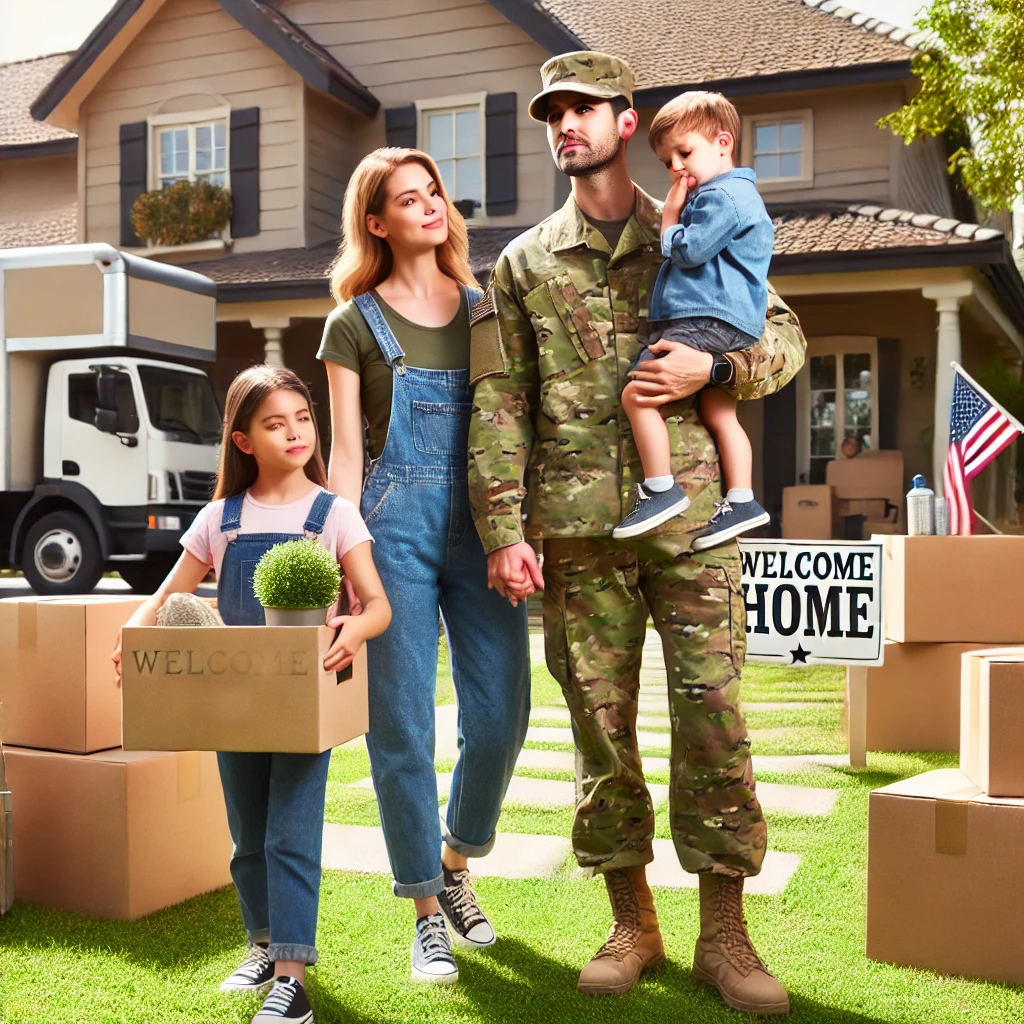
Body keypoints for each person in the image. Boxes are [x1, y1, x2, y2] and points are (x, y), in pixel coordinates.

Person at [468, 52, 805, 1015]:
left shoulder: (703, 221)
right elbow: (501, 398)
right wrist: (503, 529)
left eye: (582, 109)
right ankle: (632, 921)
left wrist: (719, 373)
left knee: (715, 720)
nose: (565, 124)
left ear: (628, 119)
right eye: (552, 114)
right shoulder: (524, 261)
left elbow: (785, 340)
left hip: (696, 522)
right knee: (600, 734)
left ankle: (726, 938)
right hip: (579, 535)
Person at [113, 365, 391, 1024]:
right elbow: (172, 593)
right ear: (243, 441)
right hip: (232, 699)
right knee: (247, 838)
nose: (294, 432)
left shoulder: (333, 512)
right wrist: (133, 631)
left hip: (303, 699)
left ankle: (291, 980)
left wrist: (355, 630)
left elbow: (377, 604)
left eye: (302, 418)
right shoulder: (221, 518)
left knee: (291, 832)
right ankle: (263, 945)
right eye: (275, 423)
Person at [317, 148, 531, 985]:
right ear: (377, 222)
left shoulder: (485, 311)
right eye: (409, 199)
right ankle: (424, 912)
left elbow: (509, 428)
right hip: (389, 527)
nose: (430, 206)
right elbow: (344, 455)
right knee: (402, 724)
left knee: (503, 711)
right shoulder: (352, 322)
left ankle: (454, 856)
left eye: (433, 192)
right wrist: (341, 556)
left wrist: (520, 528)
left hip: (482, 528)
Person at [614, 91, 773, 548]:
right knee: (720, 410)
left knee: (637, 395)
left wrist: (668, 223)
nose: (676, 168)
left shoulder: (721, 196)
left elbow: (690, 250)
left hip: (703, 319)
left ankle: (661, 489)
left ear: (723, 142)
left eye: (684, 152)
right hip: (734, 327)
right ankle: (742, 500)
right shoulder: (740, 194)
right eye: (667, 161)